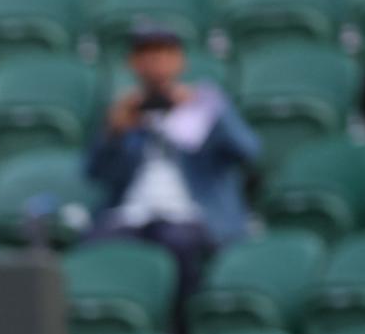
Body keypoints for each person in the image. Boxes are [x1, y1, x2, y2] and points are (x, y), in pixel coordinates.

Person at [85, 23, 261, 303]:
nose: (156, 61)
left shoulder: (205, 104)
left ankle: (180, 332)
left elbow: (248, 151)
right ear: (133, 62)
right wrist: (114, 133)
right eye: (147, 53)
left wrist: (208, 112)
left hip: (191, 215)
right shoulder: (125, 111)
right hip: (135, 213)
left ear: (180, 60)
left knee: (176, 242)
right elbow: (95, 172)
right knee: (97, 243)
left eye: (165, 53)